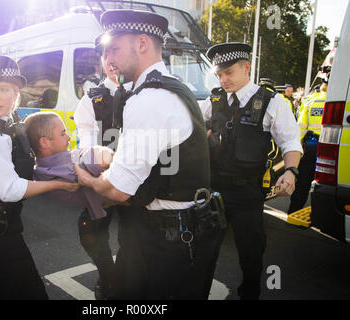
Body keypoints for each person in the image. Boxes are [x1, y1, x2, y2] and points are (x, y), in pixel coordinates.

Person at [75, 9, 224, 300]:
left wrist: (87, 180)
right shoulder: (168, 88)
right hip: (167, 231)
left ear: (142, 44)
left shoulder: (150, 99)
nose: (110, 59)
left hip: (168, 241)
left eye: (115, 48)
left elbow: (117, 189)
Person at [0, 54, 79, 300]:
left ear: (16, 93)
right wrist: (58, 184)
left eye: (3, 89)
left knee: (2, 290)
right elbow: (9, 189)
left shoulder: (4, 120)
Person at [200, 42, 303, 299]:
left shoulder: (272, 102)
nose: (223, 80)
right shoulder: (214, 101)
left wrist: (290, 171)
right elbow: (189, 127)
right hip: (214, 191)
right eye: (219, 75)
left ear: (247, 67)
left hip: (248, 193)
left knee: (251, 254)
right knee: (204, 253)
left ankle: (250, 292)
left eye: (229, 73)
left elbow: (290, 142)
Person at [73, 35, 132, 300]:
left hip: (138, 180)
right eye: (105, 54)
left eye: (115, 52)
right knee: (89, 230)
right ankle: (107, 276)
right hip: (105, 179)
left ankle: (126, 279)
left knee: (134, 238)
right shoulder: (90, 100)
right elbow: (86, 143)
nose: (110, 59)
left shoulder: (144, 92)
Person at [24, 111, 115, 221]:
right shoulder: (67, 169)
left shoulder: (39, 172)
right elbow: (106, 156)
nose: (68, 137)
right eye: (63, 134)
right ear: (44, 142)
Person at [288, 79, 328, 214]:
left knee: (303, 182)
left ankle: (293, 211)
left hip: (311, 145)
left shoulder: (310, 100)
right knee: (326, 184)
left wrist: (297, 148)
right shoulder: (338, 98)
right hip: (331, 148)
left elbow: (301, 126)